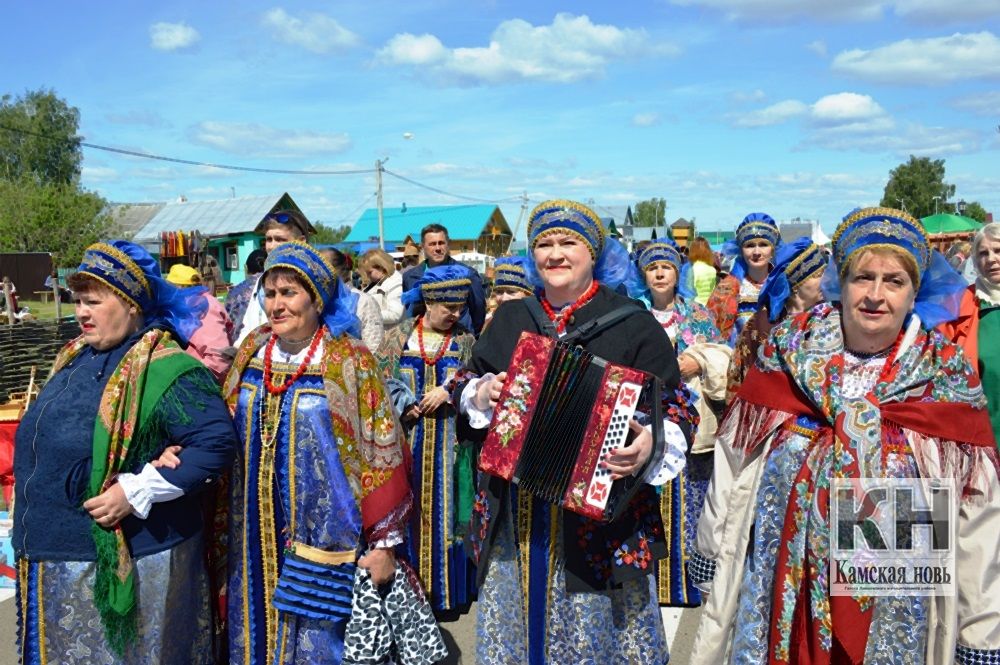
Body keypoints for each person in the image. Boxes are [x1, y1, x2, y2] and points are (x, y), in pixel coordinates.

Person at [689, 207, 999, 664]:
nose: (875, 295)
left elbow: (978, 513)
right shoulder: (787, 352)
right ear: (842, 281)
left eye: (894, 281)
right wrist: (712, 548)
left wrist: (980, 629)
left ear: (916, 292)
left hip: (894, 596)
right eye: (862, 277)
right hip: (785, 586)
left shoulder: (943, 374)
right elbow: (733, 462)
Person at [459, 199, 693, 664]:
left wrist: (650, 440)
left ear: (594, 254)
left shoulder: (631, 320)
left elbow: (675, 404)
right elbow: (468, 380)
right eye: (544, 244)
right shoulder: (512, 317)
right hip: (516, 514)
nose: (555, 254)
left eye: (569, 243)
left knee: (596, 636)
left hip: (600, 516)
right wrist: (482, 392)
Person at [13, 240, 237, 664]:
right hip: (52, 555)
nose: (81, 312)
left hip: (130, 560)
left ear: (132, 304)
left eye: (93, 302)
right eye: (78, 301)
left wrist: (137, 490)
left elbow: (215, 444)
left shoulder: (167, 368)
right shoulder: (74, 356)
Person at [224, 240, 420, 665]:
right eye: (270, 293)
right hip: (253, 532)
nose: (277, 305)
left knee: (321, 640)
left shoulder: (349, 360)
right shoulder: (251, 352)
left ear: (317, 298)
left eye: (289, 293)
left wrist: (385, 544)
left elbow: (382, 450)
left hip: (325, 535)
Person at [627, 240, 731, 607]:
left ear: (677, 274)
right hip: (640, 419)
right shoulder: (630, 314)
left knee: (691, 502)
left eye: (666, 267)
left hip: (689, 421)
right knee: (645, 500)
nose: (659, 273)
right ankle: (650, 584)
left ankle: (687, 585)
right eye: (652, 267)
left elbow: (723, 356)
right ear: (643, 274)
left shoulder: (698, 314)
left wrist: (700, 361)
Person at [376, 265, 478, 612]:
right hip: (407, 445)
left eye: (461, 308)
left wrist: (450, 390)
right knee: (406, 515)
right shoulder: (397, 338)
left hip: (450, 448)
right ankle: (409, 594)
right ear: (429, 303)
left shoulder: (465, 341)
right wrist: (402, 403)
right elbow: (376, 384)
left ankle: (447, 595)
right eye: (449, 307)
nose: (456, 314)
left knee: (449, 515)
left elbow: (478, 380)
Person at [725, 236, 827, 402]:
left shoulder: (831, 318)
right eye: (818, 275)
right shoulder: (762, 324)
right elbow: (739, 378)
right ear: (796, 284)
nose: (825, 281)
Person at [941, 221, 1000, 450]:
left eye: (998, 251)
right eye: (983, 253)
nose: (991, 259)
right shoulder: (958, 304)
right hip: (984, 430)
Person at [233, 210, 315, 346]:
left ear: (301, 241)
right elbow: (250, 324)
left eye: (280, 239)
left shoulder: (315, 281)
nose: (271, 246)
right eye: (268, 239)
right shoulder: (262, 282)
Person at [706, 212, 780, 346]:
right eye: (750, 245)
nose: (757, 252)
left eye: (763, 244)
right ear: (741, 250)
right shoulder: (727, 289)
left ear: (773, 249)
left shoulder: (785, 285)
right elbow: (713, 338)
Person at [401, 223, 486, 334]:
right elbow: (410, 312)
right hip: (421, 340)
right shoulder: (411, 276)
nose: (437, 248)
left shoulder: (466, 274)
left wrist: (469, 335)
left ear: (448, 244)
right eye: (432, 244)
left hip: (457, 339)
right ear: (422, 246)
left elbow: (478, 310)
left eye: (441, 243)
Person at [165, 263, 234, 382]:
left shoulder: (203, 307)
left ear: (180, 288)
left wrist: (190, 381)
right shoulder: (190, 305)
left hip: (203, 385)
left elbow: (218, 359)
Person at [320, 247, 384, 351]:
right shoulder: (315, 301)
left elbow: (375, 348)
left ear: (340, 270)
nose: (318, 275)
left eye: (323, 269)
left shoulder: (363, 301)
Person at [225, 248, 267, 343]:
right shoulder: (274, 286)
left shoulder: (235, 292)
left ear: (246, 268)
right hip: (267, 342)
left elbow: (228, 320)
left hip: (240, 344)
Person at [359, 247, 405, 331]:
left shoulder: (395, 283)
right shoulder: (376, 282)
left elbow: (395, 314)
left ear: (381, 267)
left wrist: (367, 315)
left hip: (390, 336)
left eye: (370, 272)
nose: (367, 276)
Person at [484, 256, 533, 328]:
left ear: (528, 294)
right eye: (499, 292)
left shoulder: (538, 324)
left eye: (511, 292)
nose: (504, 298)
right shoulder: (489, 321)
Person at [687, 237, 719, 305]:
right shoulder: (712, 270)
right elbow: (712, 290)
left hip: (695, 306)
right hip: (708, 306)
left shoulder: (691, 269)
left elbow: (688, 291)